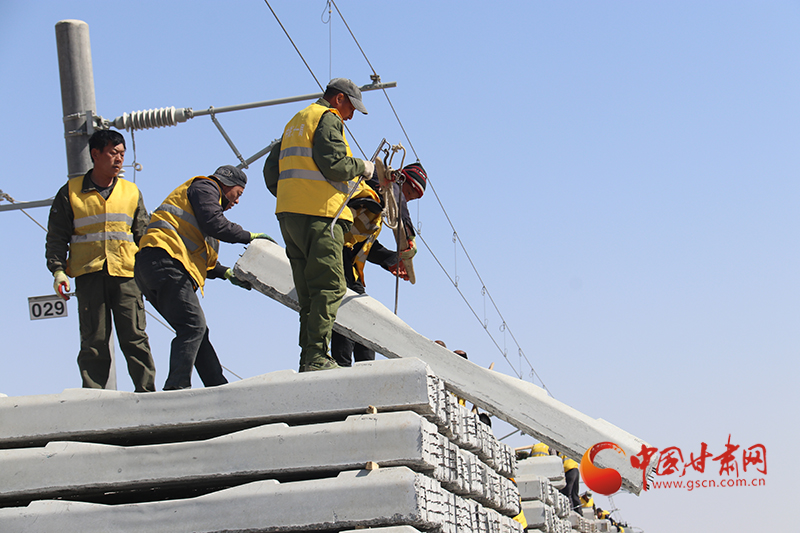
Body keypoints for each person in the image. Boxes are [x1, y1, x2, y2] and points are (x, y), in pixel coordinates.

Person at [263, 78, 373, 372]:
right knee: (330, 286)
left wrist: (294, 194)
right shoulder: (328, 119)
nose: (350, 115)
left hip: (289, 216)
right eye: (350, 107)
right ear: (338, 99)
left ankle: (309, 357)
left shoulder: (295, 121)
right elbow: (335, 165)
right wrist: (363, 167)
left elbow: (271, 172)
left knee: (309, 292)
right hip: (322, 217)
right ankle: (315, 357)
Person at [134, 165, 274, 390]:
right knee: (193, 326)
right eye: (237, 194)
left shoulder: (200, 211)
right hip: (164, 262)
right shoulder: (206, 187)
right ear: (226, 185)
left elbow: (202, 260)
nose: (237, 202)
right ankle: (176, 388)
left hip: (154, 267)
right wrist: (248, 236)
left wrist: (225, 273)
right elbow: (216, 224)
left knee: (197, 330)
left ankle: (217, 386)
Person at [46, 129, 156, 392]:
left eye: (121, 154)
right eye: (112, 153)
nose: (118, 159)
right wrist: (58, 271)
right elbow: (57, 237)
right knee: (93, 341)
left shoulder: (131, 192)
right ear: (95, 154)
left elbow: (144, 236)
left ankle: (147, 394)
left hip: (126, 275)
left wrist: (152, 274)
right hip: (90, 275)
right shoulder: (70, 192)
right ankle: (92, 398)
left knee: (135, 337)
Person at [330, 162, 427, 367]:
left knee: (365, 318)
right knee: (348, 309)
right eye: (409, 193)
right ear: (399, 180)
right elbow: (396, 194)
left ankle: (367, 371)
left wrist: (390, 260)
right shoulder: (375, 184)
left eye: (412, 198)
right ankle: (341, 368)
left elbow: (364, 244)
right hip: (334, 251)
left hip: (349, 261)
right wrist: (407, 234)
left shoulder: (377, 208)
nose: (407, 199)